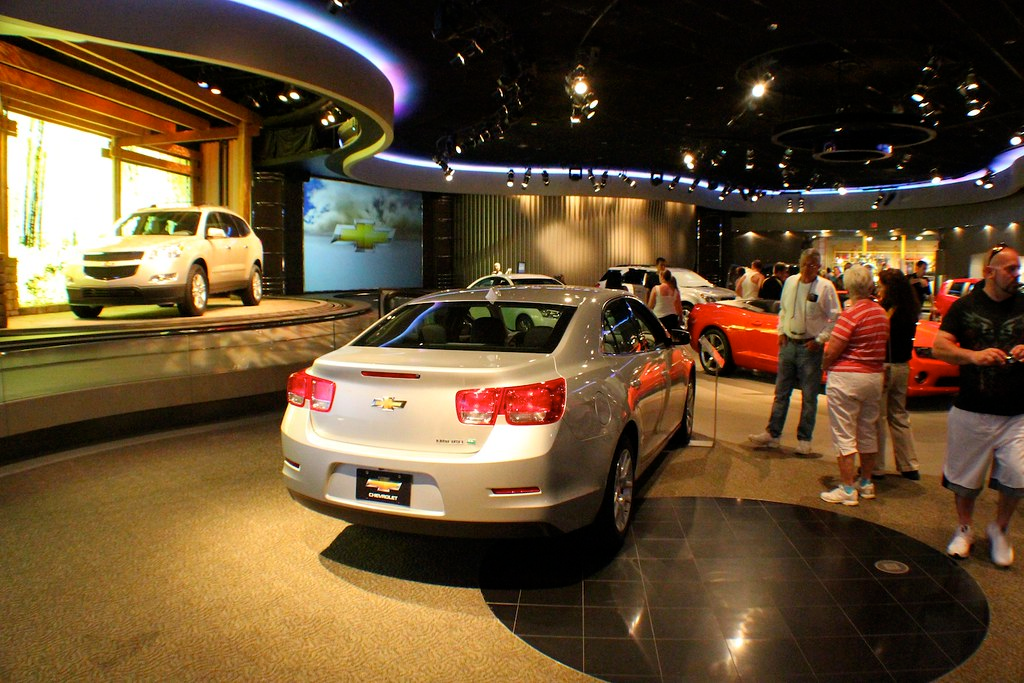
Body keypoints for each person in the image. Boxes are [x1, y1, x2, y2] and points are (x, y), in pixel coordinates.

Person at [932, 242, 1024, 568]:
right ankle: (964, 528)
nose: (1016, 275)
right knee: (966, 478)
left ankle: (999, 529)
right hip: (972, 408)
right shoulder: (964, 307)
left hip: (1017, 412)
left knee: (1017, 473)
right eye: (1010, 269)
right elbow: (940, 347)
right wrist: (974, 356)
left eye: (1018, 268)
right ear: (989, 271)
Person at [749, 248, 841, 454]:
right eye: (803, 265)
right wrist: (781, 331)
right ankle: (773, 434)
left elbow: (835, 317)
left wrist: (819, 340)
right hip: (788, 344)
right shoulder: (790, 282)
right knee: (781, 392)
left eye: (811, 265)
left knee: (809, 396)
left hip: (810, 347)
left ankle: (804, 439)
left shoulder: (826, 287)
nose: (806, 269)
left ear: (818, 266)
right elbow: (784, 310)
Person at [819, 265, 890, 505]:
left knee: (844, 433)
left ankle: (848, 489)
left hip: (847, 378)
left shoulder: (850, 314)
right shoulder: (881, 313)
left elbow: (834, 349)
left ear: (848, 287)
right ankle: (866, 482)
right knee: (868, 431)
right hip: (873, 378)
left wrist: (824, 364)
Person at [874, 268, 922, 479]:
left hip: (885, 366)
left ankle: (876, 466)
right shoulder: (911, 309)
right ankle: (909, 465)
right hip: (903, 365)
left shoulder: (887, 310)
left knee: (878, 418)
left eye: (881, 284)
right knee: (899, 415)